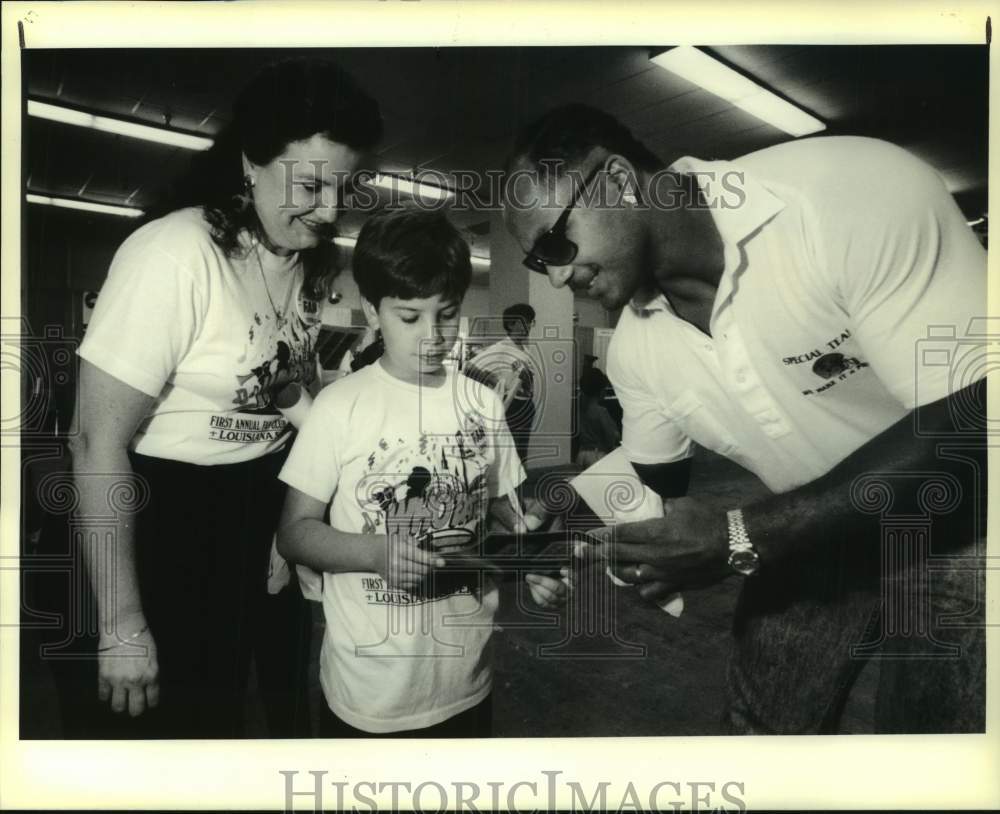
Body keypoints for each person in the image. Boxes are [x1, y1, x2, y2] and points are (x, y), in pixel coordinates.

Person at [502, 104, 986, 734]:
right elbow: (656, 485)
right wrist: (552, 520)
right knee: (755, 735)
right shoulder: (637, 349)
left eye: (555, 243)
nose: (558, 273)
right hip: (823, 527)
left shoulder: (844, 192)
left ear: (619, 180)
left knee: (928, 754)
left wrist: (741, 536)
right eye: (540, 263)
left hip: (971, 518)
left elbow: (978, 420)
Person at [69, 57, 383, 738]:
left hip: (258, 508)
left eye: (347, 186)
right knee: (159, 727)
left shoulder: (298, 259)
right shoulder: (174, 254)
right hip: (162, 518)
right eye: (311, 184)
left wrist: (287, 517)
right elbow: (95, 443)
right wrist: (121, 626)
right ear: (250, 163)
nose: (331, 209)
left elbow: (281, 398)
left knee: (234, 715)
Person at [276, 208, 567, 737]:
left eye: (448, 315)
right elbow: (295, 533)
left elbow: (505, 513)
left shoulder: (480, 401)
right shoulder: (339, 406)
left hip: (465, 678)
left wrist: (534, 561)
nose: (432, 336)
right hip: (371, 694)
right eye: (409, 317)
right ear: (371, 308)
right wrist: (374, 553)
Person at [465, 303, 537, 464]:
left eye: (530, 322)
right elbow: (469, 368)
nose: (528, 326)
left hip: (526, 406)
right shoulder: (502, 347)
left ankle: (519, 487)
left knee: (521, 455)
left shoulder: (526, 350)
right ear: (511, 324)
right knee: (508, 455)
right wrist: (493, 380)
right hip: (510, 407)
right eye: (523, 322)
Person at [575, 367, 620, 468]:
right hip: (598, 456)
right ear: (601, 390)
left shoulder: (580, 410)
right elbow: (611, 437)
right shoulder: (601, 412)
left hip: (581, 455)